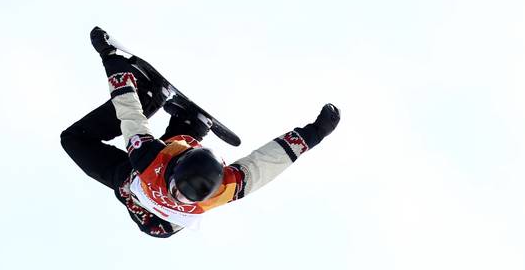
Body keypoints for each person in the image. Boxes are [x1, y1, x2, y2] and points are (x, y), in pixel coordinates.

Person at [60, 27, 341, 238]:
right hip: (153, 183)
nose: (177, 198)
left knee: (74, 140)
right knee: (82, 140)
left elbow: (129, 112)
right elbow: (267, 163)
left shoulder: (149, 159)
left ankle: (169, 111)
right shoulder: (222, 187)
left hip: (148, 209)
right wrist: (315, 133)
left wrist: (111, 59)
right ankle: (187, 123)